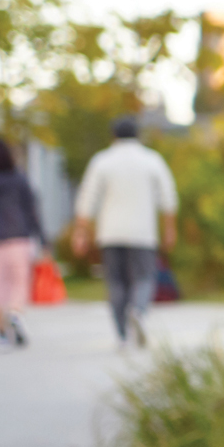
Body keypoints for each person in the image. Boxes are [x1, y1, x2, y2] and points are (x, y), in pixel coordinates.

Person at [72, 117, 178, 349]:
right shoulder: (152, 160)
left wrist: (81, 233)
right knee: (144, 278)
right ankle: (138, 311)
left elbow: (87, 200)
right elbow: (168, 197)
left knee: (116, 283)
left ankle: (122, 335)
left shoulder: (102, 161)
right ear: (138, 135)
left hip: (110, 234)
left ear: (113, 136)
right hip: (143, 234)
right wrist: (170, 230)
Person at [0, 139, 45, 349]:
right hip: (18, 238)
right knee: (18, 283)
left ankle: (1, 334)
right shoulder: (19, 179)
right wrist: (42, 239)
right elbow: (32, 210)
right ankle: (15, 312)